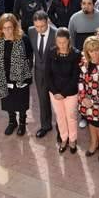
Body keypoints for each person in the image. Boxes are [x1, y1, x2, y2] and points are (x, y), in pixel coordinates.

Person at [0, 13, 32, 136]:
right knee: (8, 101)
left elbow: (30, 56)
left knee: (21, 101)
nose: (7, 30)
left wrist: (24, 72)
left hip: (21, 77)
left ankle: (22, 123)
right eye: (4, 28)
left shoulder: (23, 39)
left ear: (15, 27)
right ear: (0, 28)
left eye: (10, 27)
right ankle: (12, 122)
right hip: (4, 77)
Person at [43, 27, 80, 151]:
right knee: (60, 117)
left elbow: (75, 77)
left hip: (70, 93)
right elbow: (47, 74)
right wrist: (54, 92)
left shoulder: (75, 54)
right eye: (59, 42)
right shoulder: (51, 52)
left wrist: (63, 93)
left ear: (69, 40)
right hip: (54, 92)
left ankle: (73, 140)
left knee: (71, 116)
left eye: (64, 42)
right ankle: (64, 139)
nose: (62, 45)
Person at [78, 36, 99, 160]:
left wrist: (93, 100)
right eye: (91, 51)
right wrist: (83, 97)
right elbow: (81, 79)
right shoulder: (83, 61)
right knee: (90, 122)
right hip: (85, 100)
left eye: (96, 50)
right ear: (86, 51)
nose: (94, 53)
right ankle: (94, 143)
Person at [28, 11, 57, 139]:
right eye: (37, 26)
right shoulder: (31, 31)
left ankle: (62, 130)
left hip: (54, 73)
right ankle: (45, 125)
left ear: (48, 22)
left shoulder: (56, 33)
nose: (39, 29)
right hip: (38, 71)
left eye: (42, 26)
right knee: (43, 100)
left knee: (58, 102)